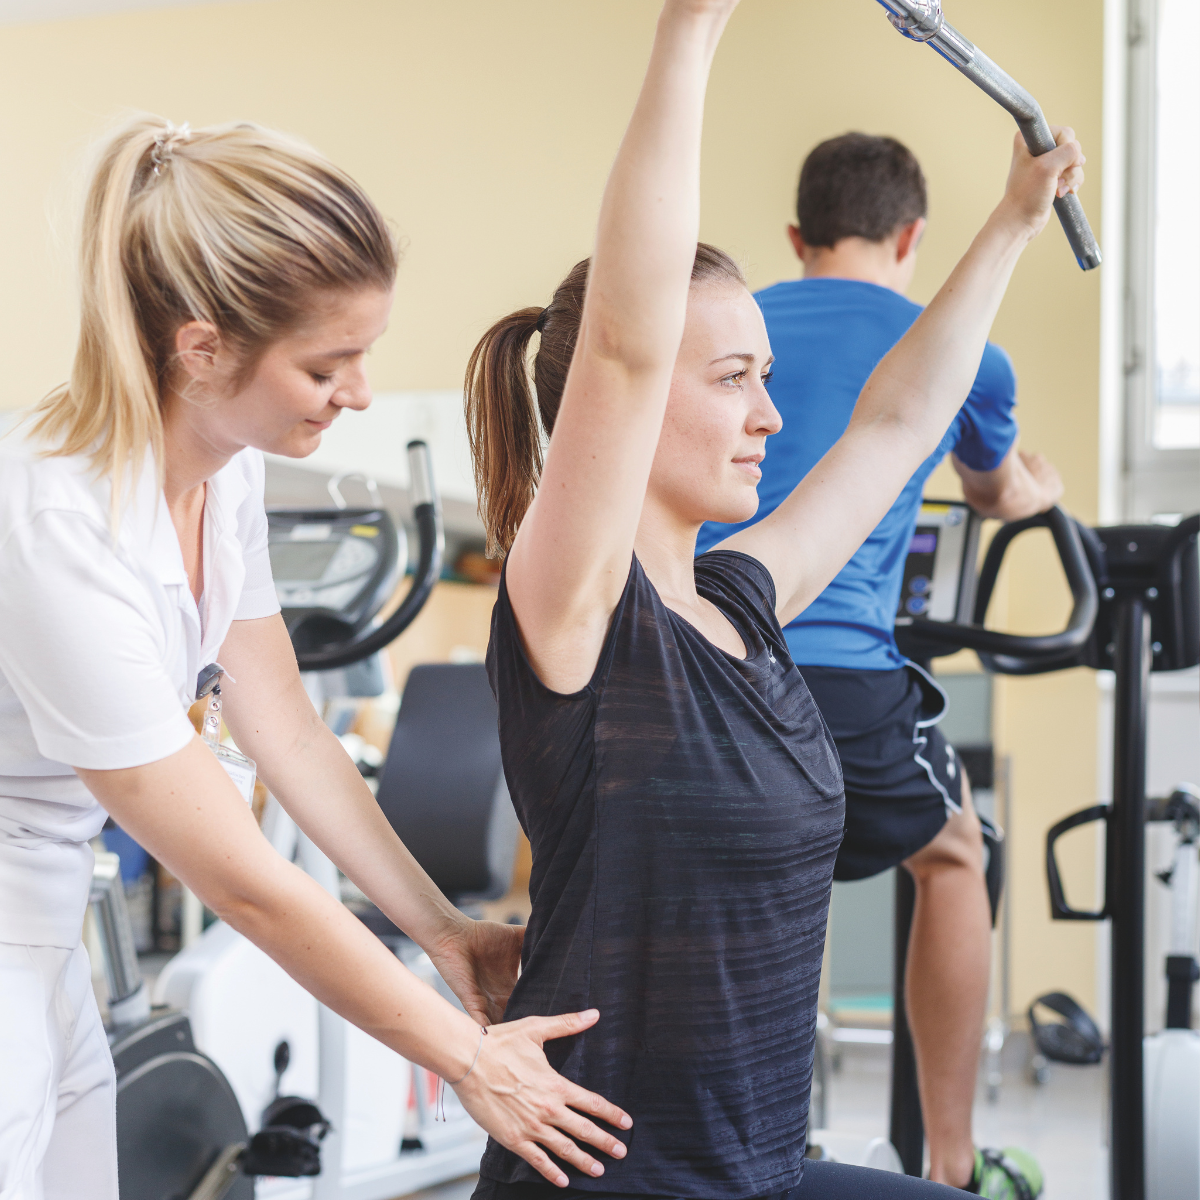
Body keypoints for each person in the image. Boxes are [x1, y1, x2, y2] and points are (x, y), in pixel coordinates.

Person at [462, 1, 1084, 1197]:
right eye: (736, 378)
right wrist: (691, 30)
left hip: (764, 1170)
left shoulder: (746, 605)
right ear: (633, 405)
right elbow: (629, 347)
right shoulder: (578, 619)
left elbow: (898, 424)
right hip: (626, 1184)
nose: (769, 417)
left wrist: (1014, 218)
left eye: (768, 378)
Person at [0, 116, 634, 1200]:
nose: (361, 394)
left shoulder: (225, 471)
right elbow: (243, 886)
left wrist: (443, 931)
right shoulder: (56, 525)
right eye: (327, 363)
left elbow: (287, 730)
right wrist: (470, 1060)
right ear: (201, 349)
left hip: (47, 922)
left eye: (366, 354)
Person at [695, 132, 1065, 1196]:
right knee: (954, 850)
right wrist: (1035, 491)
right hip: (841, 669)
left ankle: (772, 1143)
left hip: (704, 654)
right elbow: (995, 493)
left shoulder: (737, 327)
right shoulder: (959, 349)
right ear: (911, 237)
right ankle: (950, 1163)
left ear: (795, 238)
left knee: (776, 864)